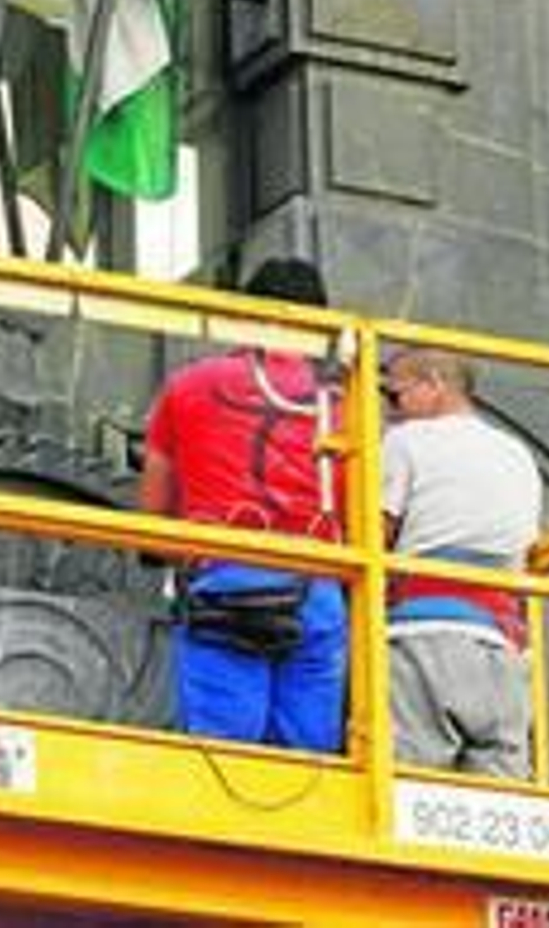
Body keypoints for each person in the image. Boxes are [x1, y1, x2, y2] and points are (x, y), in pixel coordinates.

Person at [140, 257, 347, 751]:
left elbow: (151, 519)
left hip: (225, 580)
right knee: (308, 767)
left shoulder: (189, 385)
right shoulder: (344, 405)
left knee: (223, 759)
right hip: (317, 591)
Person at [381, 348, 542, 775]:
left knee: (410, 790)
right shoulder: (518, 454)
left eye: (393, 396)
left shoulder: (406, 442)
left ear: (434, 383)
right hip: (504, 648)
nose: (390, 412)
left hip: (425, 636)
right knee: (499, 801)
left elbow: (376, 533)